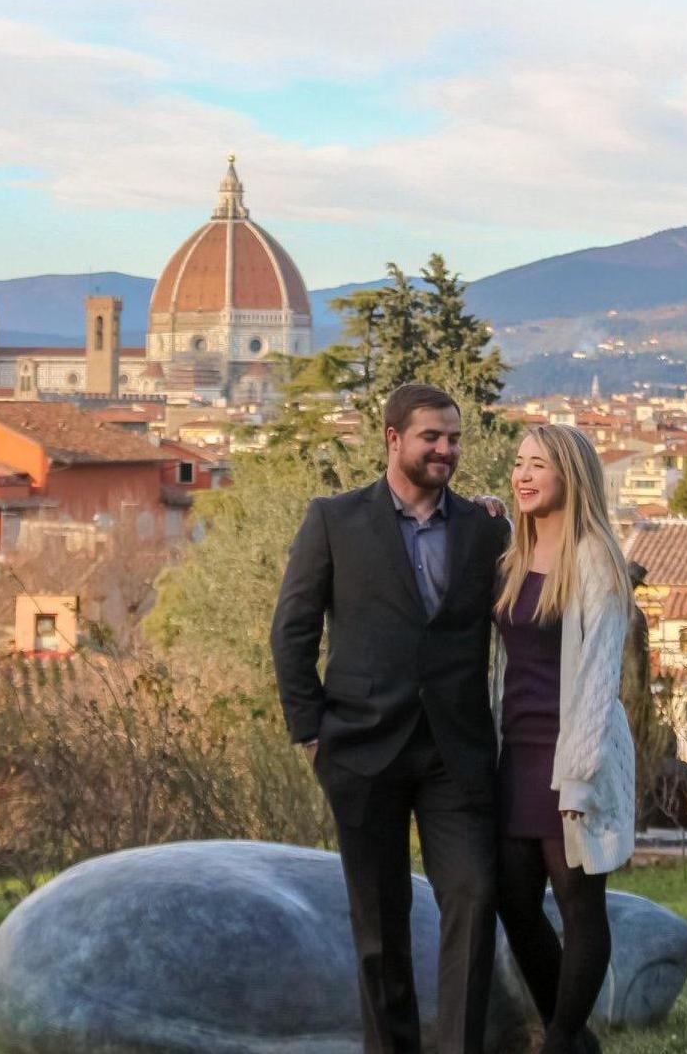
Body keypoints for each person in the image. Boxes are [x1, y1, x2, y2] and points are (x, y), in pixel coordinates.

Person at [270, 382, 511, 1054]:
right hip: (359, 750)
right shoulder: (333, 520)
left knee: (472, 893)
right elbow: (291, 630)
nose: (446, 449)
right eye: (432, 436)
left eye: (454, 438)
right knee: (378, 926)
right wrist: (310, 732)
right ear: (392, 438)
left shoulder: (484, 527)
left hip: (454, 756)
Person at [490, 424, 635, 1054]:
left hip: (571, 754)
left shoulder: (596, 559)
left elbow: (601, 675)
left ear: (569, 477)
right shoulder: (514, 554)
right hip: (514, 755)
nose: (523, 475)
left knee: (579, 905)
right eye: (519, 464)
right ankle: (572, 1040)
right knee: (515, 901)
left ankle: (562, 1039)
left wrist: (578, 774)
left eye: (538, 466)